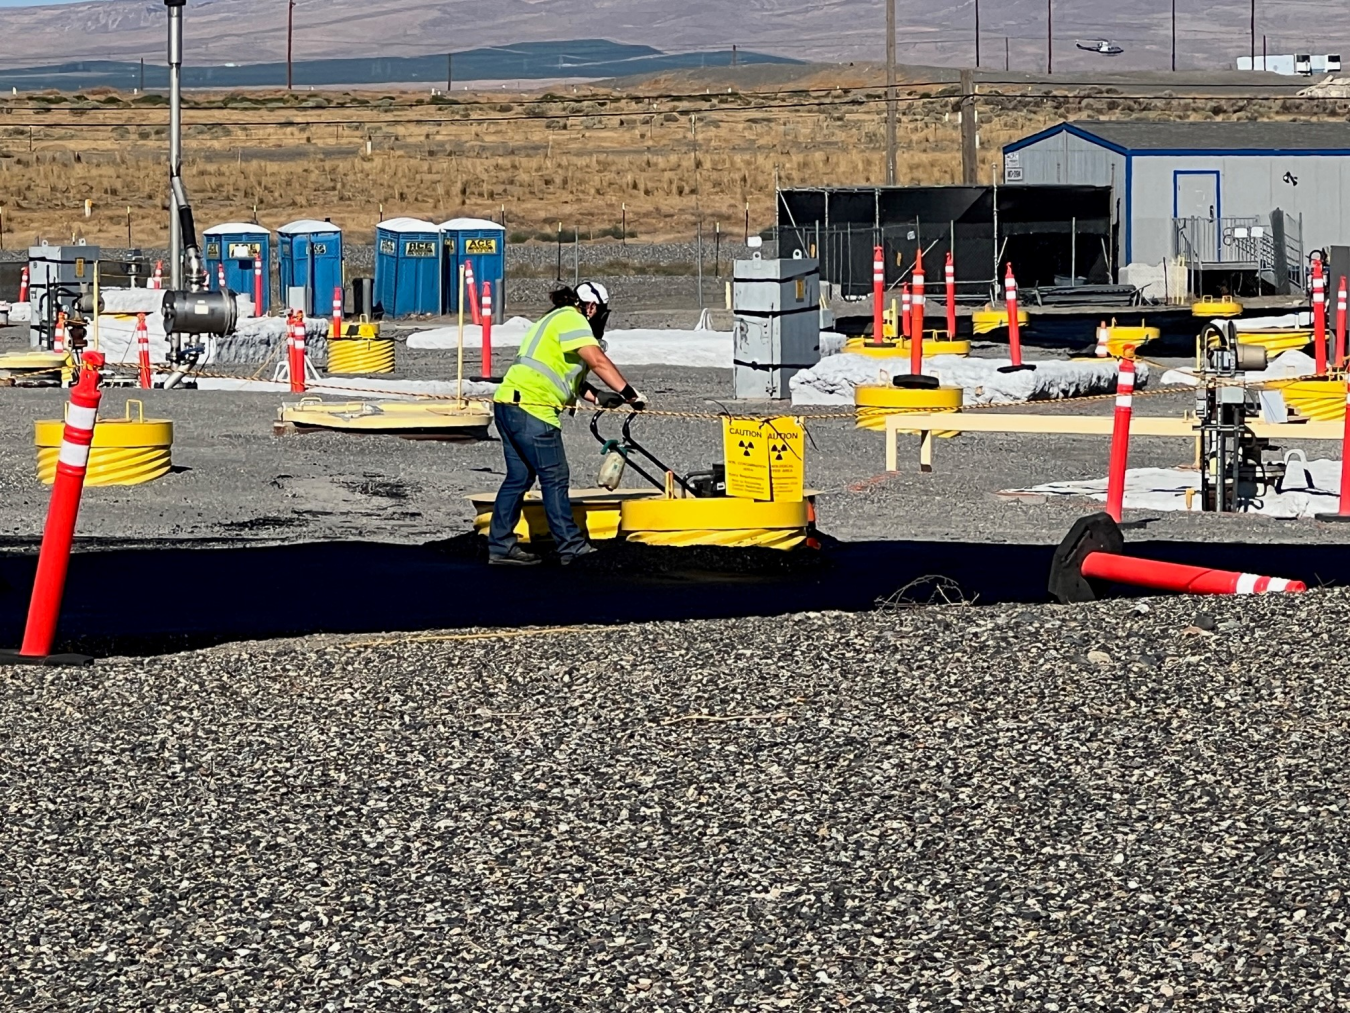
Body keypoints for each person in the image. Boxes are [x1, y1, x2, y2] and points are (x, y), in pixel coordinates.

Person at [488, 281, 644, 566]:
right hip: (534, 409)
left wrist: (598, 396)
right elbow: (597, 361)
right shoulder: (573, 318)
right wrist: (630, 395)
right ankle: (571, 548)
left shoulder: (552, 318)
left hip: (508, 404)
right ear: (593, 307)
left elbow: (562, 372)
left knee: (518, 478)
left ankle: (500, 546)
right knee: (555, 478)